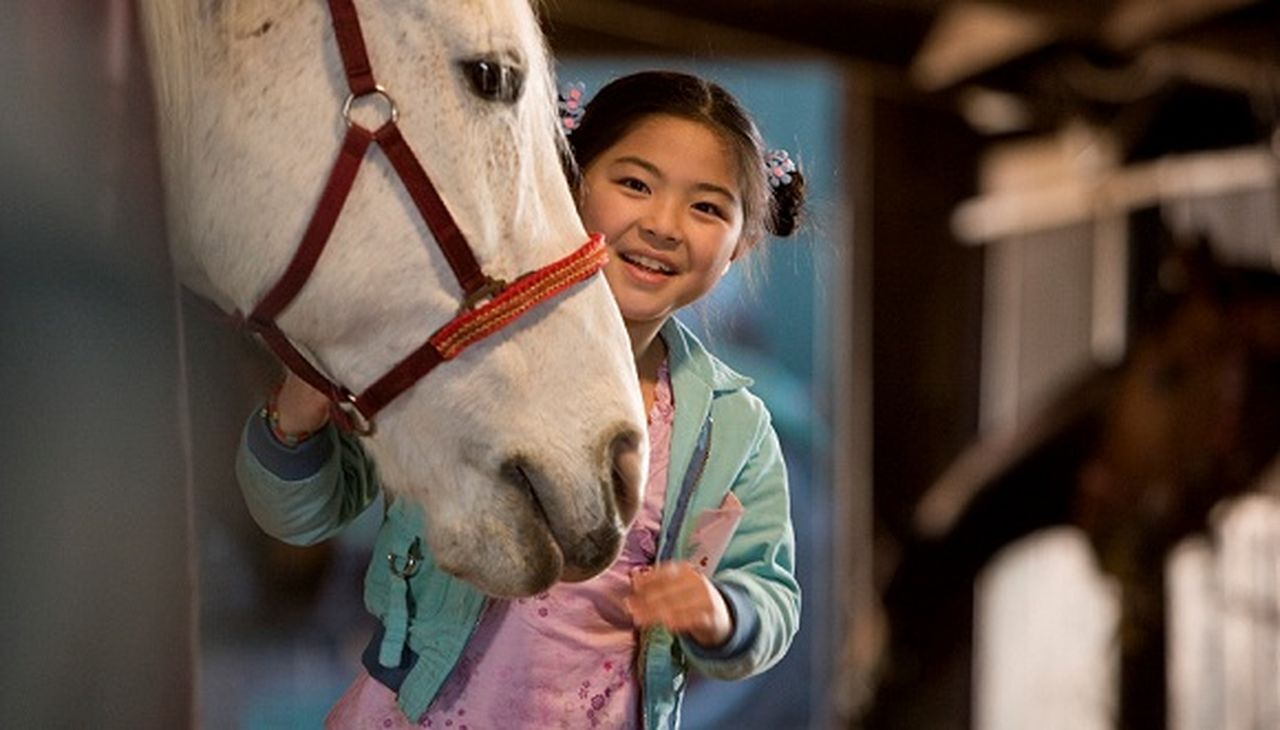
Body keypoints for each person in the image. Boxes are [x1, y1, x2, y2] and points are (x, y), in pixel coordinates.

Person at [236, 70, 807, 728]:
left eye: (707, 207)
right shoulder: (457, 354)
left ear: (744, 242)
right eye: (635, 184)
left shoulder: (736, 426)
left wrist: (723, 611)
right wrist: (294, 424)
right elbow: (299, 518)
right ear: (567, 185)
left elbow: (771, 597)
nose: (664, 225)